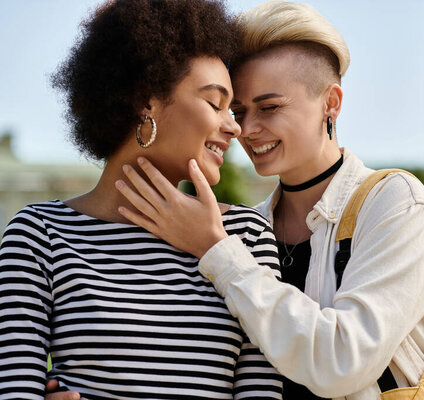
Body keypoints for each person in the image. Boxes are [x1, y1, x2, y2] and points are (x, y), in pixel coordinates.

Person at [112, 2, 424, 399]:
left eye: (270, 107)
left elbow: (343, 362)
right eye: (238, 110)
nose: (246, 129)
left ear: (331, 103)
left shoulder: (394, 204)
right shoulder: (245, 228)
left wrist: (217, 250)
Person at [0, 0, 283, 399]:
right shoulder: (39, 235)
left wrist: (215, 247)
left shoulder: (246, 236)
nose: (234, 126)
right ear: (146, 100)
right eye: (215, 103)